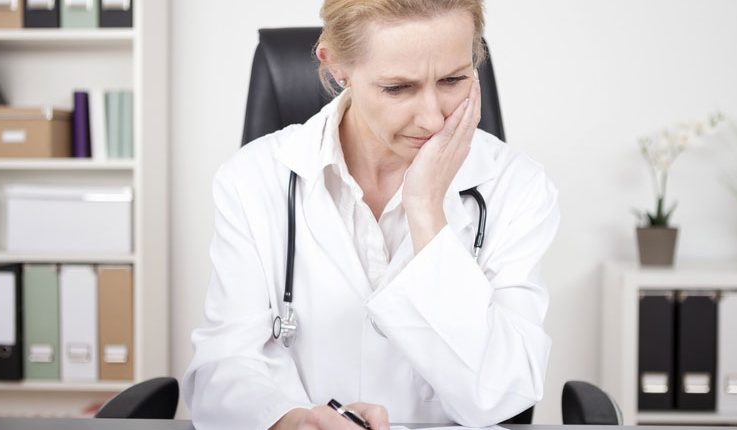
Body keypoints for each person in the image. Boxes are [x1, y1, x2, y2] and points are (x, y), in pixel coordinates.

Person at [183, 1, 559, 429]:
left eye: (454, 79)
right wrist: (292, 421)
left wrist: (427, 212)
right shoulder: (253, 179)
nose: (434, 118)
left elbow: (501, 393)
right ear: (336, 66)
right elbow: (221, 371)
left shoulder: (515, 186)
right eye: (398, 88)